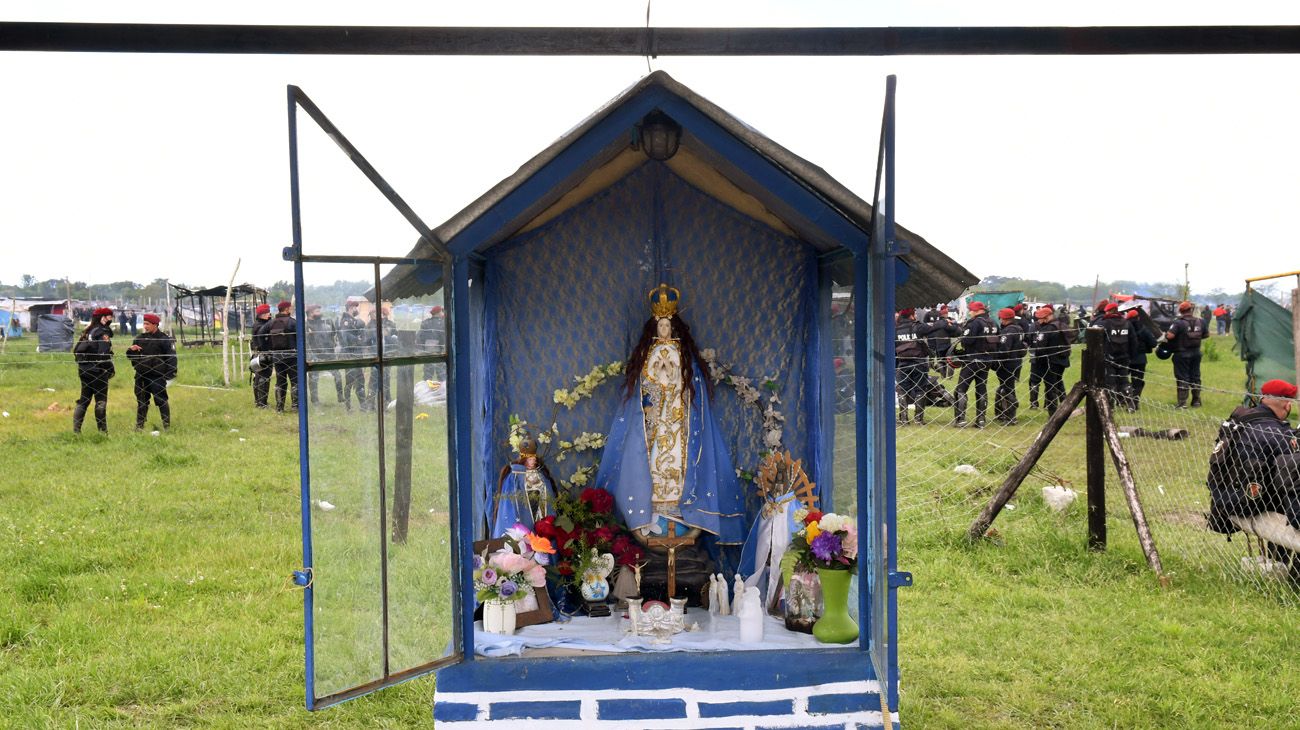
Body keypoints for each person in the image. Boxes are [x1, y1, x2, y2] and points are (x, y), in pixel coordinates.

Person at [595, 283, 746, 546]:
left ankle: (679, 516)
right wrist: (650, 398)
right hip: (655, 420)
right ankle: (653, 520)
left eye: (667, 326)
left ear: (674, 327)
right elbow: (645, 383)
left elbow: (689, 384)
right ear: (654, 327)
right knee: (652, 463)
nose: (664, 330)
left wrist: (675, 385)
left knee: (679, 463)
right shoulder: (648, 353)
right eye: (660, 326)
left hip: (678, 419)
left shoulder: (682, 353)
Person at [1205, 379, 1300, 539]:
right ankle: (1279, 559)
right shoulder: (1277, 432)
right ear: (1286, 404)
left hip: (1223, 495)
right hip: (1249, 504)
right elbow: (1291, 468)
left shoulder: (1237, 420)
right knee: (1291, 477)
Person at [951, 300, 999, 428]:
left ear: (977, 311)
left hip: (972, 359)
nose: (969, 312)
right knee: (981, 389)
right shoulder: (993, 322)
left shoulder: (974, 322)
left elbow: (967, 340)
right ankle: (981, 420)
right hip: (987, 360)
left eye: (971, 310)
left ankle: (960, 419)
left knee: (961, 389)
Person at [126, 313, 177, 430]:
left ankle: (166, 426)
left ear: (155, 325)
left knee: (161, 400)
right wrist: (131, 350)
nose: (145, 326)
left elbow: (171, 357)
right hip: (141, 376)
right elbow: (131, 357)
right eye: (144, 323)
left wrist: (170, 374)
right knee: (142, 402)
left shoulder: (164, 339)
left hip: (157, 376)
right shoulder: (139, 338)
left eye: (147, 324)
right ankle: (139, 426)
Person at [895, 308, 944, 424]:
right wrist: (944, 322)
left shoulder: (896, 329)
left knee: (902, 390)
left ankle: (903, 418)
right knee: (920, 389)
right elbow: (934, 327)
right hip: (919, 362)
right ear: (911, 316)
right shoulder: (918, 327)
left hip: (903, 362)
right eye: (914, 314)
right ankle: (918, 419)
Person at [72, 307, 116, 433]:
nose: (110, 319)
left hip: (84, 370)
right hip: (98, 371)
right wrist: (109, 369)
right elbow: (104, 354)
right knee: (101, 400)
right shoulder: (102, 332)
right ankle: (102, 432)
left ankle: (76, 431)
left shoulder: (87, 330)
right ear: (103, 317)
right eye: (109, 316)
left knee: (84, 399)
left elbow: (76, 350)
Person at [1029, 305, 1072, 413]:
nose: (1038, 320)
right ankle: (1065, 407)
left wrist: (1036, 356)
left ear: (1047, 317)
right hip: (1062, 360)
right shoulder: (1063, 325)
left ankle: (1053, 413)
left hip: (1049, 362)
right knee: (1058, 383)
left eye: (1040, 318)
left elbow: (1040, 348)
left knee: (1050, 388)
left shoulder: (1047, 329)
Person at [1166, 300, 1205, 408]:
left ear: (1181, 311)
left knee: (1182, 377)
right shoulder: (1201, 321)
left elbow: (1170, 336)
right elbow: (1206, 335)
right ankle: (1196, 401)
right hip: (1196, 353)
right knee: (1196, 376)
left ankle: (1182, 403)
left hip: (1181, 353)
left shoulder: (1178, 322)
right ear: (1191, 310)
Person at [303, 304, 343, 407]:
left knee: (338, 376)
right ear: (310, 313)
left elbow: (334, 334)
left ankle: (340, 397)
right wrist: (311, 356)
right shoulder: (306, 326)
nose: (320, 313)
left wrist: (333, 348)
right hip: (316, 356)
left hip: (329, 355)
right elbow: (306, 343)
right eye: (317, 311)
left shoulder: (327, 322)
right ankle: (315, 401)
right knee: (313, 379)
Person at [993, 307, 1026, 425]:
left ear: (1004, 319)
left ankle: (1011, 417)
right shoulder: (1019, 329)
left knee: (1007, 389)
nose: (1000, 320)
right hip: (1017, 361)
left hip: (1007, 364)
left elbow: (1003, 350)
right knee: (1005, 387)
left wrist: (995, 361)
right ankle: (1003, 413)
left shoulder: (1008, 331)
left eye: (1001, 318)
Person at [1099, 302, 1134, 411]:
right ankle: (1130, 405)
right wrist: (1130, 356)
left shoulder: (1105, 323)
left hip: (1109, 357)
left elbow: (1099, 339)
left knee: (1110, 382)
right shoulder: (1127, 323)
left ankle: (1110, 407)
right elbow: (1133, 341)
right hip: (1124, 357)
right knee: (1124, 382)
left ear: (1109, 311)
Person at [266, 300, 298, 412]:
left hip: (277, 357)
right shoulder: (292, 322)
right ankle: (295, 406)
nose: (292, 309)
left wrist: (268, 348)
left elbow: (261, 333)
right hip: (292, 356)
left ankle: (279, 408)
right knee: (295, 381)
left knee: (280, 382)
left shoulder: (271, 323)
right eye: (291, 307)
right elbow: (301, 337)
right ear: (286, 309)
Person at [337, 300, 369, 411]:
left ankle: (363, 406)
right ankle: (348, 406)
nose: (357, 310)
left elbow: (363, 335)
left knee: (360, 380)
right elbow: (345, 338)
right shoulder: (345, 321)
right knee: (350, 381)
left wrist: (361, 339)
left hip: (357, 354)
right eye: (356, 307)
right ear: (351, 308)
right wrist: (357, 339)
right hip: (350, 355)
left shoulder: (354, 321)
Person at [1125, 308, 1158, 409]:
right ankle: (1133, 404)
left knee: (1123, 380)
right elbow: (1153, 343)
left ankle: (1124, 400)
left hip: (1126, 359)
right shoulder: (1144, 329)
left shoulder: (1124, 328)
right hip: (1140, 359)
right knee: (1138, 382)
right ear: (1138, 318)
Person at [249, 303, 274, 408]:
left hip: (260, 354)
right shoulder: (259, 326)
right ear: (262, 314)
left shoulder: (260, 324)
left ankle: (260, 402)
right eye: (268, 312)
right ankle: (261, 403)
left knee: (260, 377)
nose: (270, 314)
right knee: (263, 378)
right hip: (262, 354)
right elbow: (262, 340)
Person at [416, 305, 447, 382]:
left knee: (428, 376)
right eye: (441, 311)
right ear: (439, 312)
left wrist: (422, 349)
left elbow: (420, 337)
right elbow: (443, 337)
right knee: (442, 376)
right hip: (440, 351)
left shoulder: (425, 322)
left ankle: (427, 392)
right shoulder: (443, 323)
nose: (442, 313)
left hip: (427, 352)